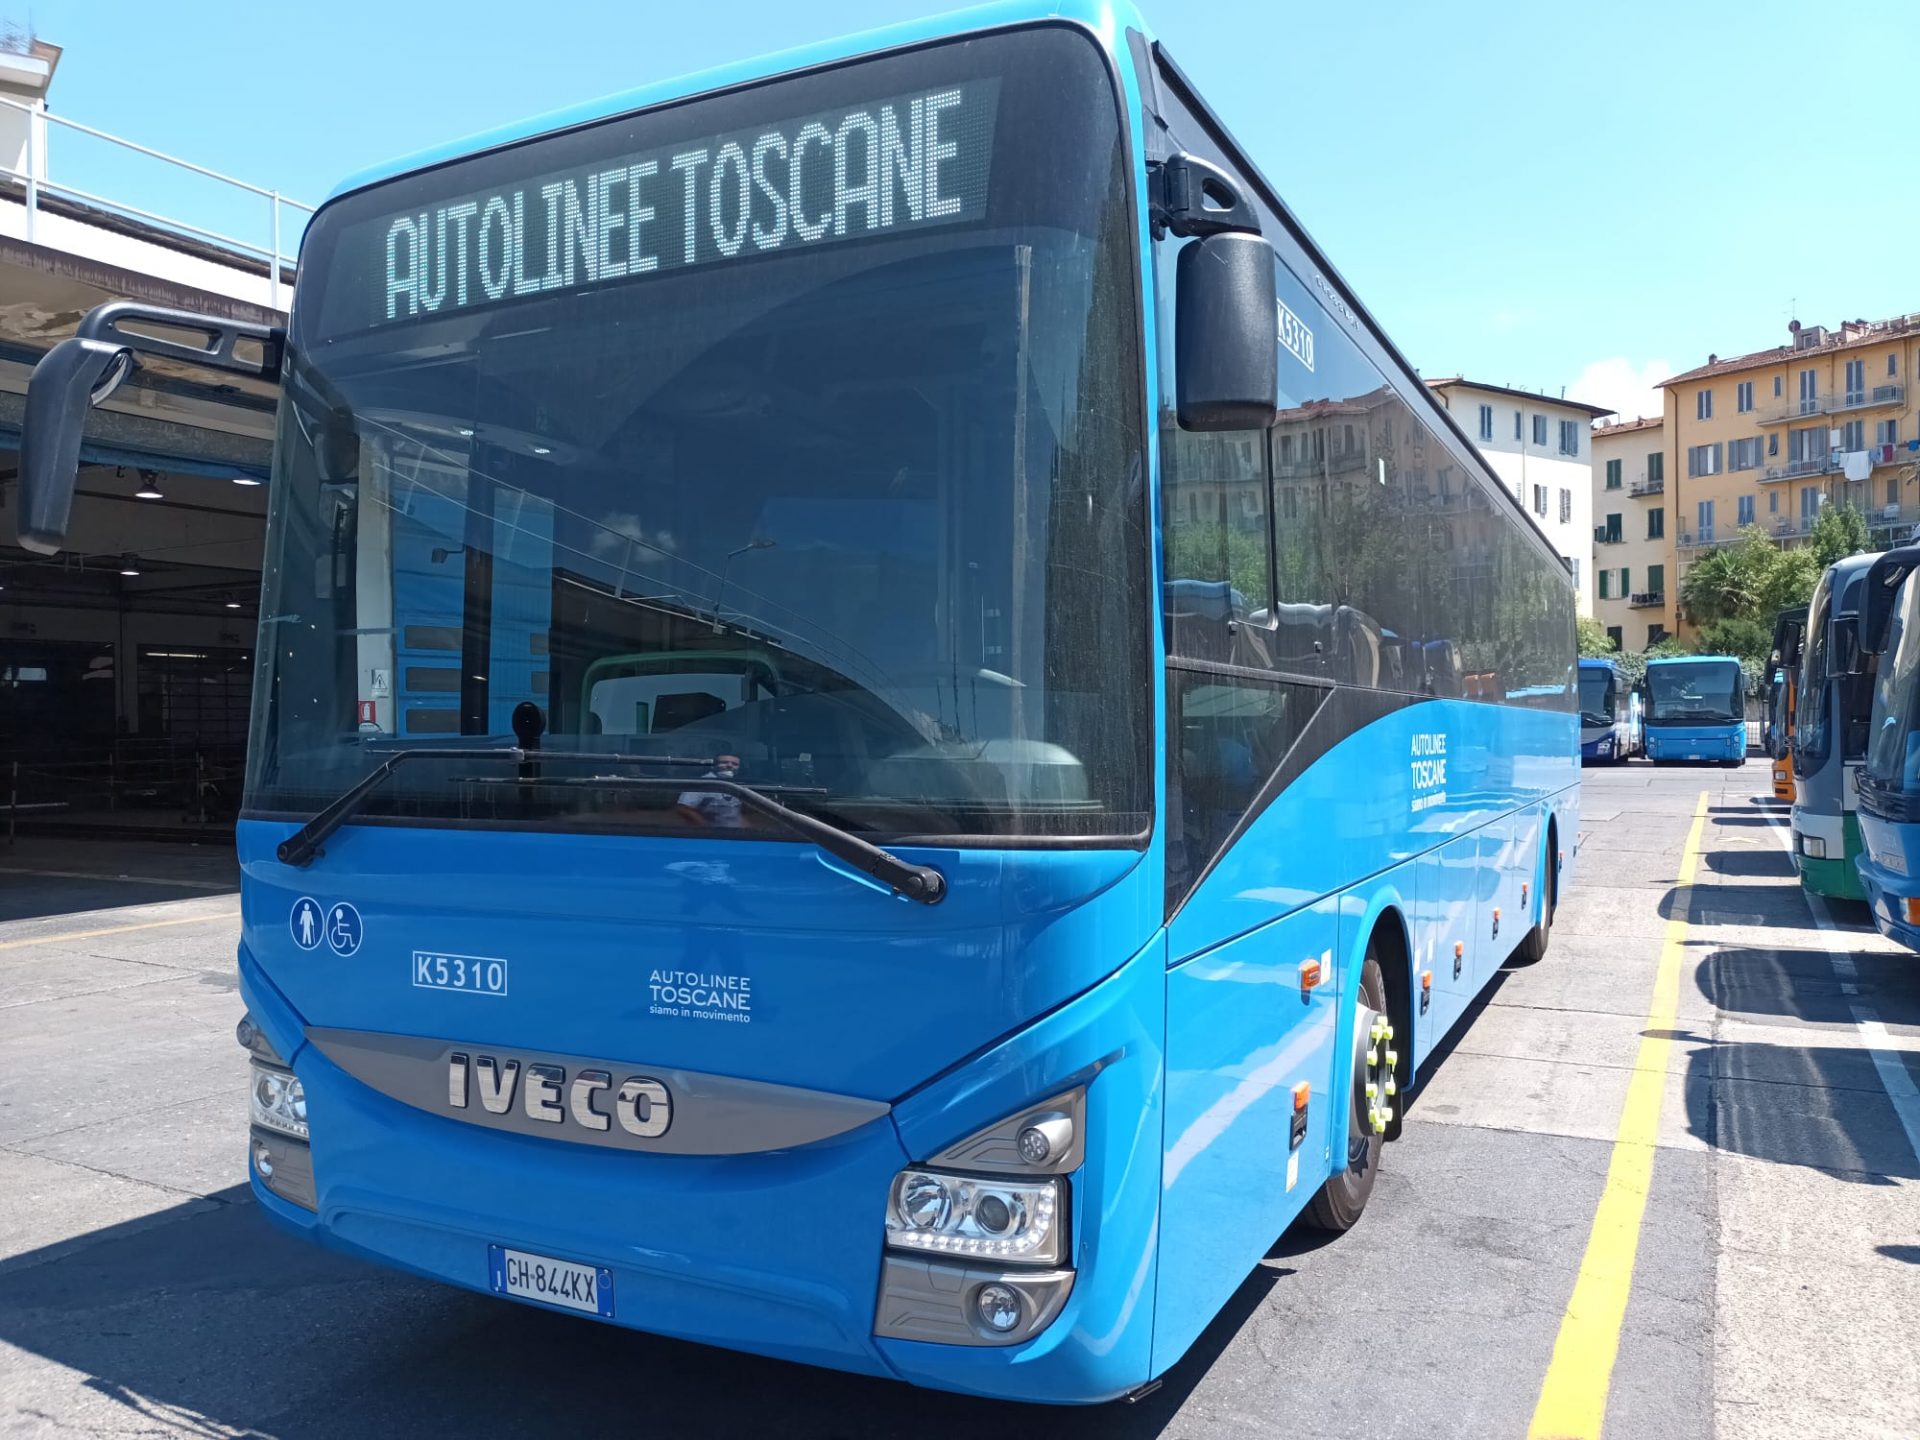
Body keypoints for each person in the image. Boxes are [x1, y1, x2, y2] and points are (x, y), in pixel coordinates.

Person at [676, 754, 745, 828]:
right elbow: (683, 807)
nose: (729, 765)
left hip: (735, 831)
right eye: (724, 762)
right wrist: (707, 827)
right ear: (713, 766)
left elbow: (737, 813)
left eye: (734, 764)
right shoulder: (703, 782)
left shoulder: (740, 783)